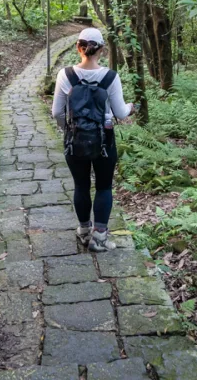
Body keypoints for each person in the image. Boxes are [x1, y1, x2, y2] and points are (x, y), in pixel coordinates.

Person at [52, 27, 132, 252]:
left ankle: (84, 230)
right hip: (104, 140)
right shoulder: (110, 77)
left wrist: (67, 130)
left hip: (74, 139)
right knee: (104, 187)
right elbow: (121, 112)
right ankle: (99, 238)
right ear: (102, 50)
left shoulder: (65, 75)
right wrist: (131, 107)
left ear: (78, 47)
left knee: (81, 185)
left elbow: (57, 112)